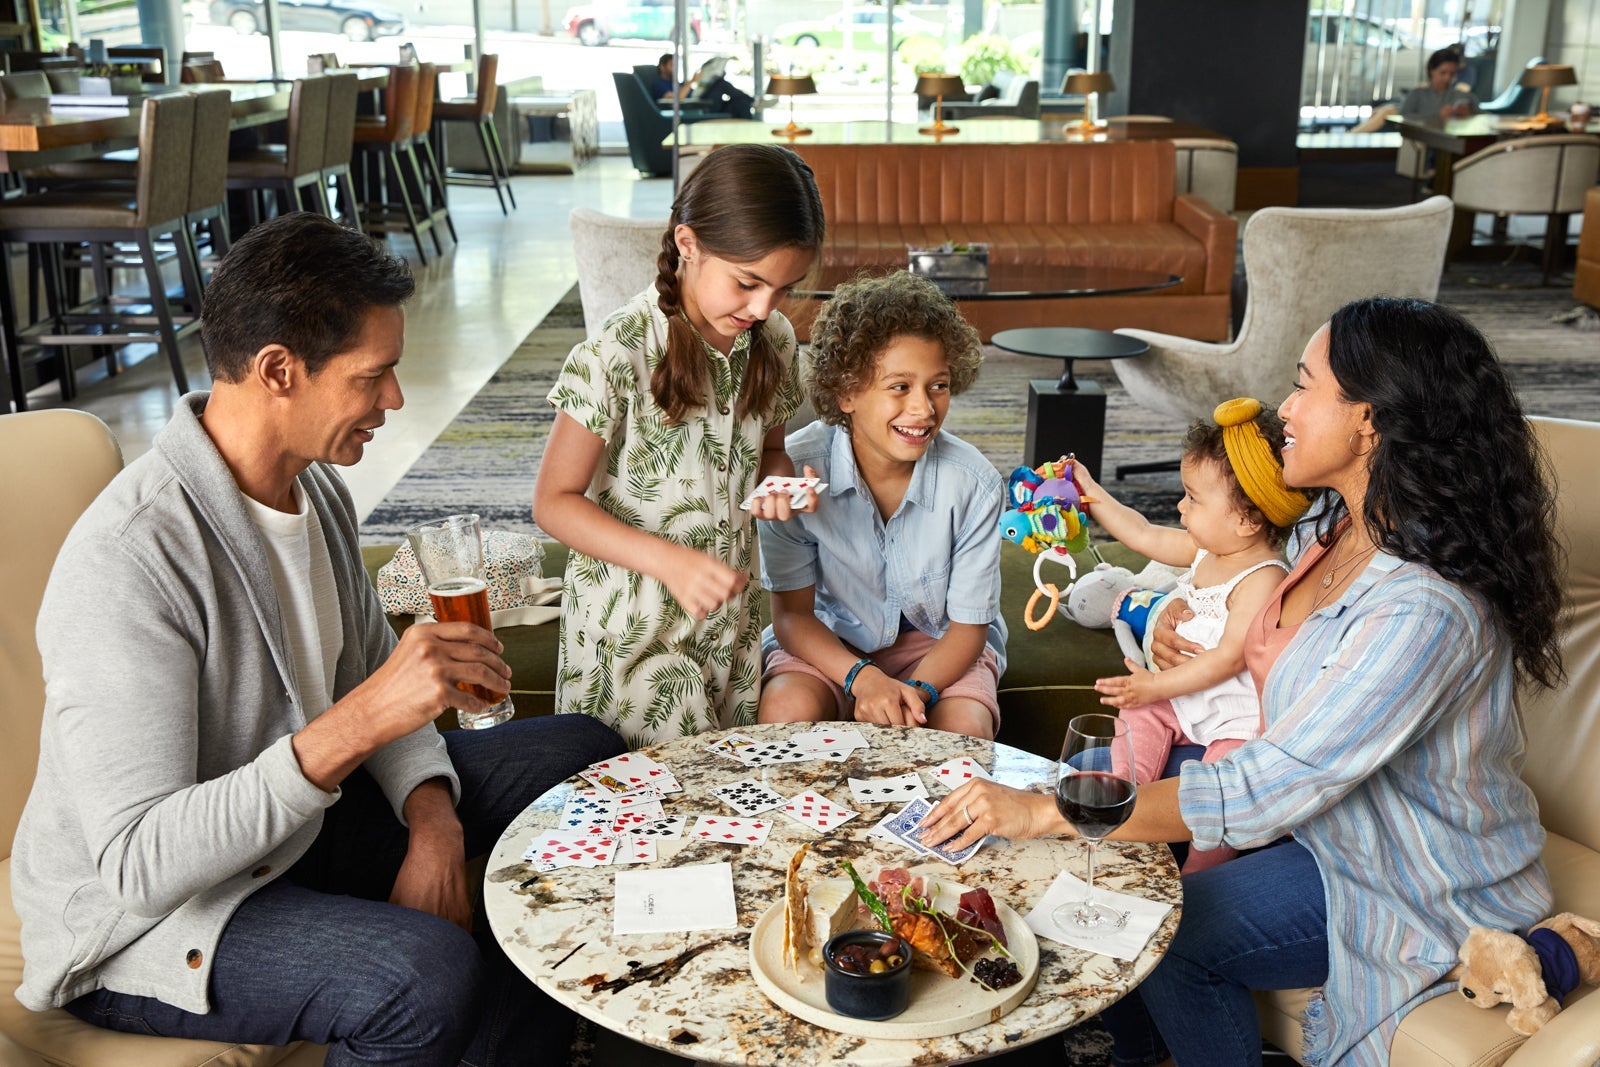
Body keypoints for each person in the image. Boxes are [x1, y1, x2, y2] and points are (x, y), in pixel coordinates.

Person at [10, 212, 627, 1064]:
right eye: (375, 376)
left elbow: (379, 678)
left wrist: (433, 823)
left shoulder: (314, 490)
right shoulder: (131, 561)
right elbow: (139, 862)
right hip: (151, 921)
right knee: (423, 974)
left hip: (293, 833)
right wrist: (357, 723)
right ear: (277, 371)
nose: (396, 400)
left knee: (587, 757)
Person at [921, 297, 1563, 1067]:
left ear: (1368, 421)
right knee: (1112, 879)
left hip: (1406, 879)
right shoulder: (1334, 528)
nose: (1283, 408)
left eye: (1305, 385)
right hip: (1326, 837)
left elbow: (1263, 786)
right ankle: (1127, 1046)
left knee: (1175, 932)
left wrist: (1046, 811)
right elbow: (1227, 565)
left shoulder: (1423, 611)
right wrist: (1159, 610)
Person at [534, 143, 825, 748]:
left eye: (784, 287)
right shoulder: (616, 353)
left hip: (729, 631)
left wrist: (778, 482)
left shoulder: (771, 340)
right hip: (631, 639)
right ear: (687, 244)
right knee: (645, 816)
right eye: (747, 283)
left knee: (723, 808)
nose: (765, 307)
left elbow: (770, 450)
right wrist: (671, 562)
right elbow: (554, 502)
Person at [756, 271, 1005, 740]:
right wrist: (861, 679)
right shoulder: (794, 471)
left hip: (938, 650)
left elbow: (969, 629)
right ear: (846, 393)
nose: (924, 409)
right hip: (828, 646)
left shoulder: (976, 484)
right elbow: (792, 617)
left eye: (938, 385)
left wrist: (913, 692)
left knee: (962, 735)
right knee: (785, 712)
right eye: (899, 387)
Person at [1072, 397, 1307, 872]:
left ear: (1247, 519)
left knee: (1219, 795)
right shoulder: (1206, 550)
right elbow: (1140, 532)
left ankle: (1201, 873)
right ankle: (1116, 804)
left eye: (1193, 498)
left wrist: (1153, 684)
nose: (1180, 505)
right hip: (1186, 697)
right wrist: (1090, 492)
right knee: (1137, 722)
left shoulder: (1261, 576)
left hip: (1234, 721)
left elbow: (1227, 660)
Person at [652, 52, 755, 119]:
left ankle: (752, 145)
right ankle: (753, 101)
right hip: (697, 109)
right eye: (672, 65)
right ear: (662, 67)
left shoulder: (677, 83)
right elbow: (675, 101)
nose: (675, 69)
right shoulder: (660, 85)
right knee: (720, 83)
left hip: (704, 103)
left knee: (742, 103)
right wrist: (692, 81)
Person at [1400, 47, 1479, 120]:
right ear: (1431, 70)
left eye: (1452, 73)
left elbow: (1482, 116)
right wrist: (1438, 117)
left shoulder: (1462, 96)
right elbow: (1403, 119)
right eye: (1443, 73)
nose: (1447, 78)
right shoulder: (1417, 95)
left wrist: (1469, 113)